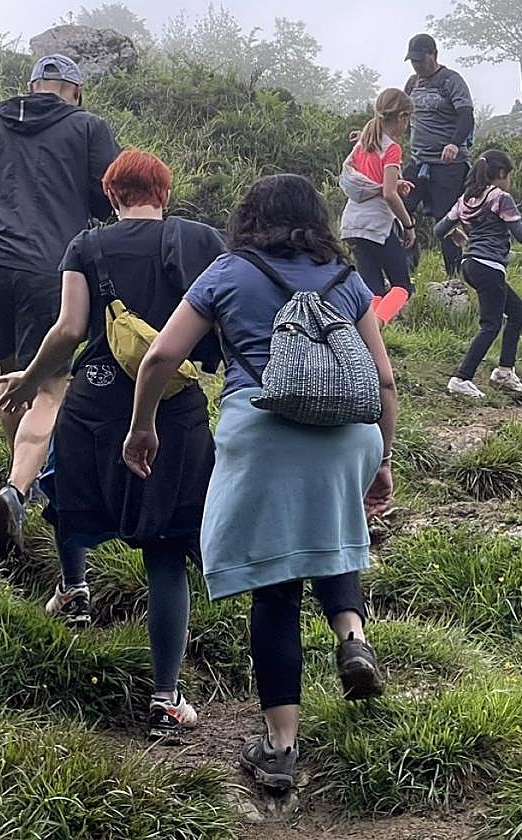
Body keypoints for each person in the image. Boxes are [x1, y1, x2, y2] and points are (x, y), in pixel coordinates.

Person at [124, 174, 396, 789]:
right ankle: (352, 636)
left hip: (264, 428)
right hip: (348, 433)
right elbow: (384, 381)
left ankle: (279, 750)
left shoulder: (227, 272)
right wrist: (381, 459)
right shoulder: (347, 280)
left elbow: (162, 356)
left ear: (250, 217)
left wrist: (143, 425)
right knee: (328, 537)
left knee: (276, 588)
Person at [0, 149, 222, 739]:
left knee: (68, 497)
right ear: (163, 194)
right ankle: (166, 700)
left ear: (112, 196)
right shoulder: (201, 240)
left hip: (95, 399)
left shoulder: (86, 247)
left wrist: (30, 378)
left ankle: (74, 591)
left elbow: (70, 329)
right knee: (166, 549)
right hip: (174, 404)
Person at [0, 54, 120, 558]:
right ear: (75, 92)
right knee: (52, 384)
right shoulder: (87, 127)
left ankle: (22, 479)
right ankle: (19, 489)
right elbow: (112, 198)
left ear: (32, 86)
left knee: (11, 373)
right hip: (54, 267)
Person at [435, 150, 522, 398]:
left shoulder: (466, 199)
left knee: (517, 312)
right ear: (502, 174)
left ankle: (505, 372)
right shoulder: (500, 198)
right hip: (489, 266)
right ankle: (461, 378)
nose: (509, 181)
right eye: (509, 176)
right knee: (490, 325)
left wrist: (456, 234)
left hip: (470, 264)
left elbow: (440, 228)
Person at [403, 33, 475, 280]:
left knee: (446, 219)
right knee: (401, 209)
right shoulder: (413, 83)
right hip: (418, 160)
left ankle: (454, 276)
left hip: (448, 164)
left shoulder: (451, 80)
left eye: (420, 60)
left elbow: (466, 115)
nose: (417, 65)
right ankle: (406, 272)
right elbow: (398, 115)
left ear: (433, 55)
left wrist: (454, 143)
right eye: (413, 61)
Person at [340, 88, 417, 301]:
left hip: (352, 225)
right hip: (376, 226)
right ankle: (381, 325)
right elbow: (389, 194)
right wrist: (408, 225)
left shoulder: (362, 144)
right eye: (408, 119)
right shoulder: (392, 148)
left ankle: (371, 331)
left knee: (373, 292)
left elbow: (370, 182)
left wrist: (395, 182)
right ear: (402, 116)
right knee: (402, 289)